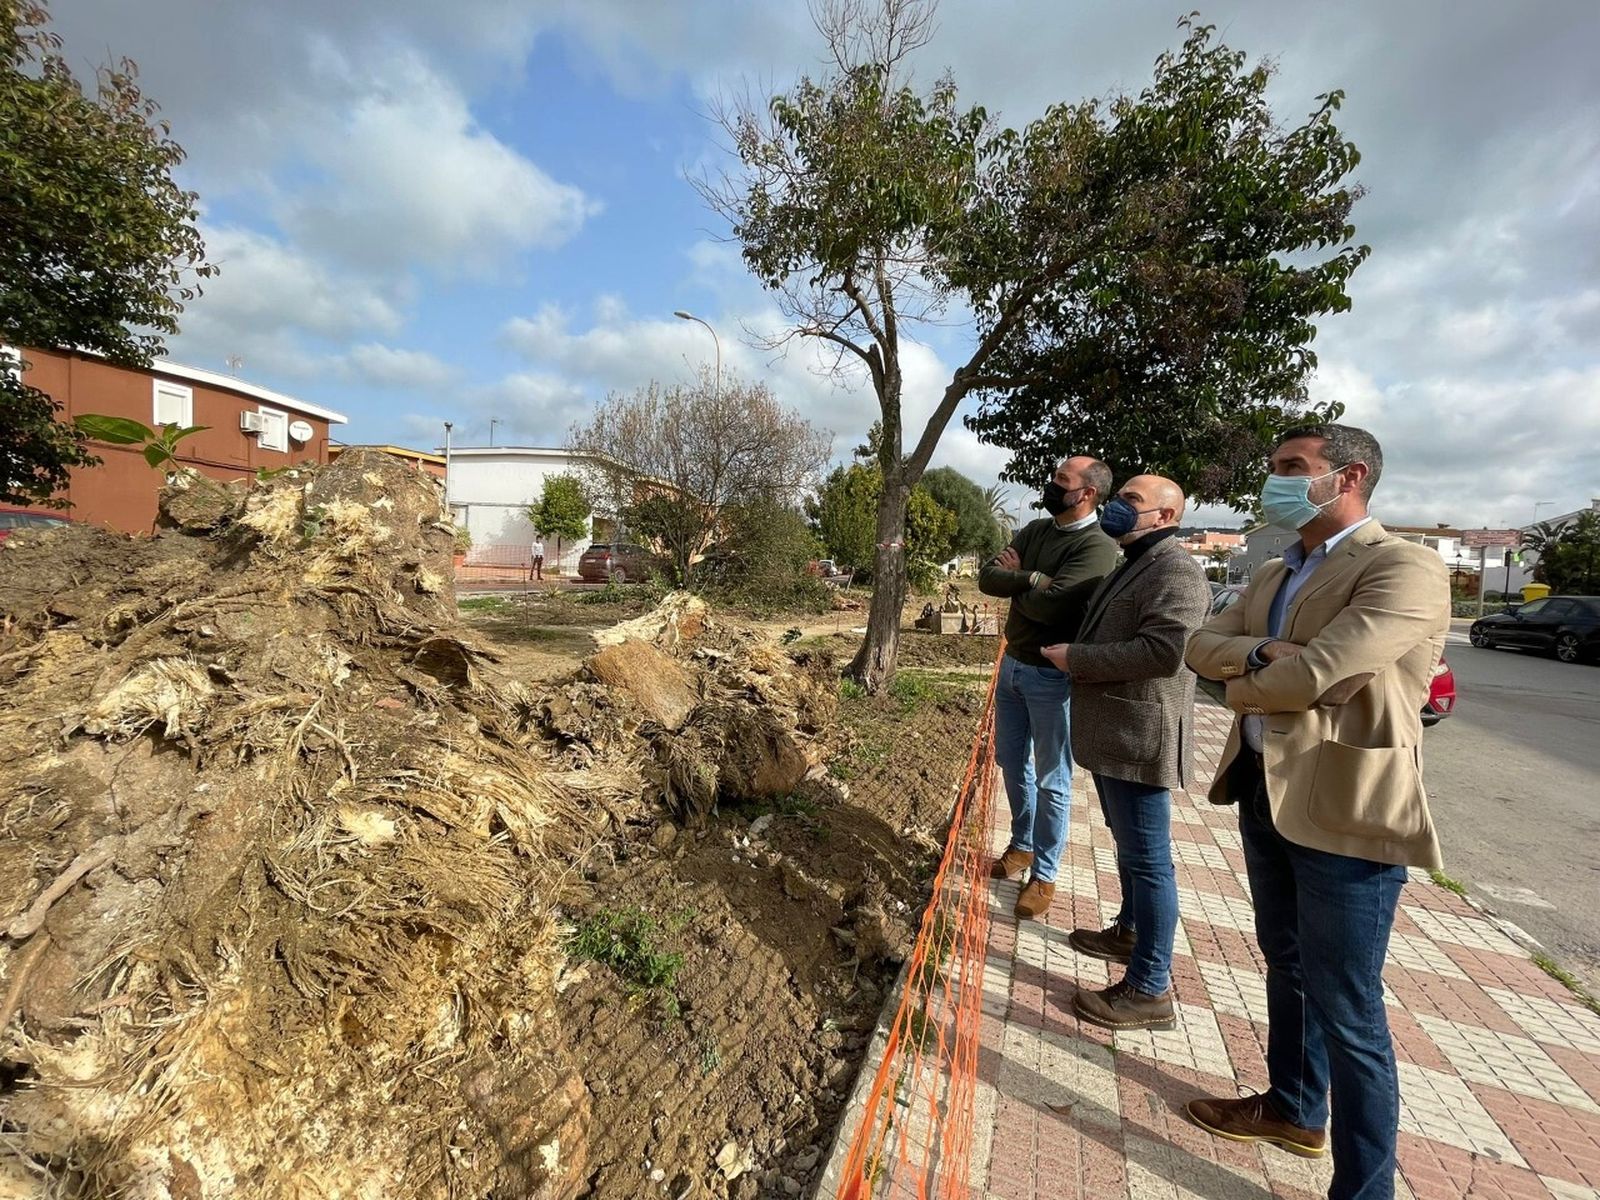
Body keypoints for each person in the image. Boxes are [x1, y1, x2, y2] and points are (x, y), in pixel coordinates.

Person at [1182, 424, 1449, 1200]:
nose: (1276, 483)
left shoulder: (1404, 567)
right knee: (1288, 967)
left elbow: (1326, 675)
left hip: (1346, 807)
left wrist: (1248, 668)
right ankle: (1295, 1110)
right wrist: (1267, 658)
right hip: (1264, 790)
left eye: (1293, 469)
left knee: (1350, 1009)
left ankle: (1363, 1190)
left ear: (1350, 476)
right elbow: (1201, 644)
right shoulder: (1273, 569)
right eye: (1273, 470)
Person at [1039, 474, 1211, 1031]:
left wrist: (1078, 659)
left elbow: (1164, 652)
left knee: (1149, 860)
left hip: (1140, 738)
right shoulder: (1135, 560)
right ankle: (1129, 932)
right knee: (1129, 849)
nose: (1118, 507)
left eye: (1132, 501)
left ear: (1166, 516)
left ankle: (1149, 987)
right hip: (1116, 735)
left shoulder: (1176, 569)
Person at [978, 457, 1118, 920]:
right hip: (1013, 666)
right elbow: (987, 578)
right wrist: (1034, 579)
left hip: (1052, 676)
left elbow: (1052, 611)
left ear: (1087, 494)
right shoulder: (1037, 529)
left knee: (1051, 776)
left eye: (1063, 480)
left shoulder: (1098, 547)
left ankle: (1045, 872)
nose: (1052, 485)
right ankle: (1020, 845)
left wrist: (1021, 585)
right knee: (1010, 761)